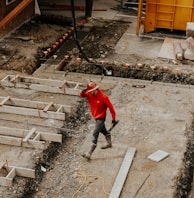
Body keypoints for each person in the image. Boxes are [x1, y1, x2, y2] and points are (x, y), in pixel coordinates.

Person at [80, 80, 117, 160]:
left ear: (96, 89)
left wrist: (113, 119)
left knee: (95, 133)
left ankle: (89, 153)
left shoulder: (104, 98)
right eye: (89, 91)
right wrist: (82, 92)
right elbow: (82, 95)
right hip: (95, 117)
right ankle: (109, 143)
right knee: (103, 130)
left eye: (91, 91)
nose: (90, 93)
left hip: (101, 118)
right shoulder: (90, 93)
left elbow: (111, 108)